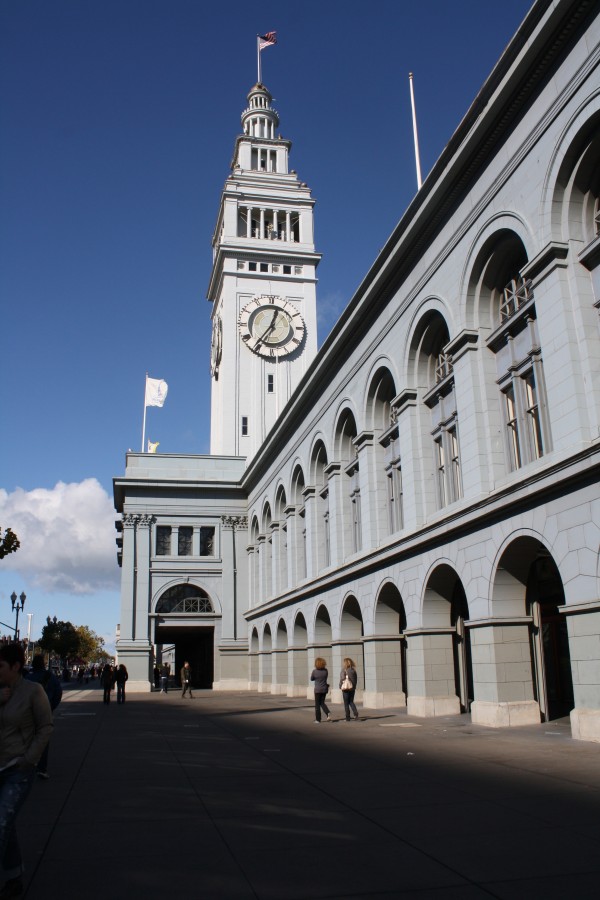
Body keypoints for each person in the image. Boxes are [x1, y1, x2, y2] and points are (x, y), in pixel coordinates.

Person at [0, 643, 53, 899]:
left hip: (17, 769)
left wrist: (30, 759)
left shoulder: (33, 691)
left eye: (0, 666)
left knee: (1, 823)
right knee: (5, 825)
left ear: (15, 666)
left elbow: (45, 726)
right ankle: (13, 877)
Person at [26, 655, 62, 778]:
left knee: (28, 737)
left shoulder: (28, 678)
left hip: (29, 712)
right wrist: (51, 706)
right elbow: (58, 692)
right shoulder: (50, 677)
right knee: (43, 738)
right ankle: (42, 768)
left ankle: (29, 764)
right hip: (45, 710)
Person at [310, 657, 331, 723]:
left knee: (317, 705)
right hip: (324, 689)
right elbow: (326, 677)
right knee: (322, 703)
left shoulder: (315, 671)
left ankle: (318, 719)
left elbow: (311, 678)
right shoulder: (326, 671)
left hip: (318, 690)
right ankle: (327, 712)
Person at [339, 657, 359, 721]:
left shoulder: (344, 670)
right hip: (352, 688)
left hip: (345, 688)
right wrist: (354, 686)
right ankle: (356, 714)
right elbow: (355, 680)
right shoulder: (353, 670)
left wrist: (340, 686)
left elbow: (342, 679)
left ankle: (347, 717)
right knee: (351, 702)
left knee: (346, 703)